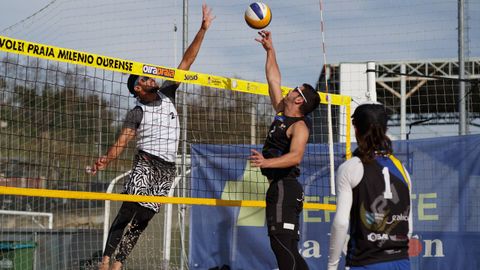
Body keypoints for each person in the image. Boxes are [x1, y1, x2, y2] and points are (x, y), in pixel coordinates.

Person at [89, 4, 214, 270]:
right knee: (129, 209)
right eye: (147, 77)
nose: (153, 77)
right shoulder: (137, 111)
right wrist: (106, 161)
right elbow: (121, 142)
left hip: (168, 168)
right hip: (147, 162)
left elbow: (187, 61)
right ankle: (106, 259)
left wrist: (202, 30)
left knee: (144, 217)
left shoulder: (168, 92)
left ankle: (120, 261)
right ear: (138, 87)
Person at [249, 30, 320, 270]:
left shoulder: (299, 126)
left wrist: (265, 163)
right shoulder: (281, 113)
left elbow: (296, 156)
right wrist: (270, 50)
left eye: (295, 90)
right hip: (280, 187)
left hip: (285, 188)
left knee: (282, 246)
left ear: (299, 100)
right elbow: (273, 79)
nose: (289, 90)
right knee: (286, 247)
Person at [327, 103, 413, 270]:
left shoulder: (351, 167)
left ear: (356, 129)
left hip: (366, 261)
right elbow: (409, 225)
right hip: (401, 261)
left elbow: (341, 223)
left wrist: (332, 266)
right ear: (386, 129)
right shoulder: (402, 169)